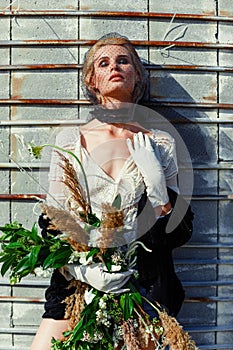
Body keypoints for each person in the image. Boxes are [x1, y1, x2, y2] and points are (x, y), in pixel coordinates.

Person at [30, 33, 193, 350]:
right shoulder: (68, 139)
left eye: (124, 60)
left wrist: (159, 189)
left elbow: (180, 232)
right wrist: (83, 269)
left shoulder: (161, 142)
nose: (115, 66)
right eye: (103, 63)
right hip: (77, 286)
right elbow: (52, 222)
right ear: (92, 80)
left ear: (136, 76)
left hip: (142, 288)